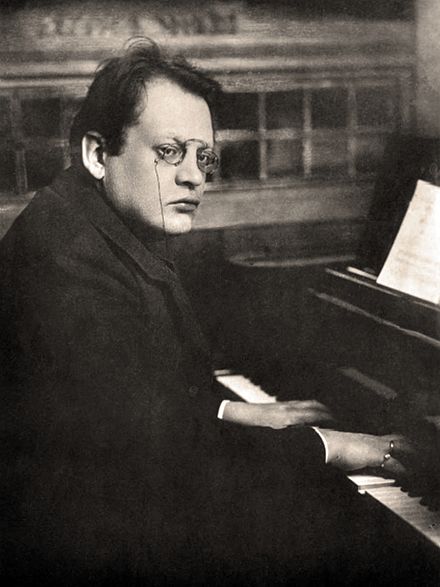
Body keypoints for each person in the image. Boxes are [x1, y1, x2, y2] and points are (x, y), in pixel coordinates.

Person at [0, 39, 416, 586]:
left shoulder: (83, 227)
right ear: (98, 154)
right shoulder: (65, 266)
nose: (196, 177)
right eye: (170, 151)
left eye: (204, 156)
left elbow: (130, 401)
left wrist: (231, 411)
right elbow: (162, 458)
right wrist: (331, 445)